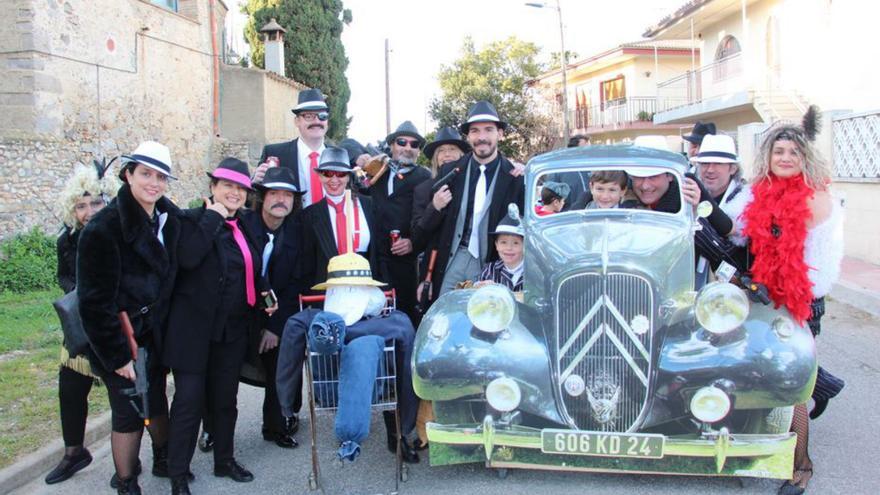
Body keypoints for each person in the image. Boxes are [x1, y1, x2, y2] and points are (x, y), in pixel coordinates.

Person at [740, 107, 843, 495]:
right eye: (778, 151)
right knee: (772, 368)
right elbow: (737, 231)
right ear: (767, 156)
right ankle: (822, 385)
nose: (785, 158)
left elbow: (819, 264)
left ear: (804, 158)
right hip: (768, 297)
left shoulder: (816, 199)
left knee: (792, 379)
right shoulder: (759, 193)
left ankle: (801, 466)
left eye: (793, 153)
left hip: (801, 299)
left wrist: (792, 296)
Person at [164, 158, 276, 494]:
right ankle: (178, 474)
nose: (235, 193)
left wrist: (267, 295)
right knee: (188, 403)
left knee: (226, 400)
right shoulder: (190, 219)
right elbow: (188, 258)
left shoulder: (245, 226)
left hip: (232, 330)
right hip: (194, 333)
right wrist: (213, 217)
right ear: (213, 188)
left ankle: (224, 461)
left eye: (241, 188)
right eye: (227, 185)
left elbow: (252, 268)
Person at [76, 141, 182, 495]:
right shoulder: (103, 228)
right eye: (146, 174)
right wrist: (118, 354)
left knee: (155, 401)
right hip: (120, 337)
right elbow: (93, 302)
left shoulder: (168, 217)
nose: (153, 183)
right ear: (128, 175)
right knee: (128, 411)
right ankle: (126, 482)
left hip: (154, 335)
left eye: (160, 177)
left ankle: (164, 457)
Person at [276, 252, 421, 463]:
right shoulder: (394, 324)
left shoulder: (308, 321)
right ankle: (398, 434)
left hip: (327, 394)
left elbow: (288, 363)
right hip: (377, 391)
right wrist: (407, 419)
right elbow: (407, 370)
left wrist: (286, 404)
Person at [45, 164, 119, 485]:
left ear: (109, 201)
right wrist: (76, 292)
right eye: (81, 205)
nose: (89, 212)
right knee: (70, 389)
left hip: (114, 329)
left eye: (96, 203)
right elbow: (64, 276)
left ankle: (128, 461)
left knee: (123, 398)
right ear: (72, 209)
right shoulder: (67, 240)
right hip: (79, 329)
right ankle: (74, 452)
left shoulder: (120, 235)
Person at [425, 101, 525, 296]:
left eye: (488, 130)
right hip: (453, 259)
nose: (482, 137)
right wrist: (426, 277)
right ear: (468, 136)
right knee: (447, 317)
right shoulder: (450, 172)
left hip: (491, 263)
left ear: (500, 134)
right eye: (475, 131)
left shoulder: (515, 177)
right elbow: (432, 230)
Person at [240, 166, 306, 449]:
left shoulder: (297, 235)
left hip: (275, 311)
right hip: (237, 310)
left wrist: (274, 326)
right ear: (262, 197)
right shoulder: (243, 224)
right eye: (274, 193)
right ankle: (212, 430)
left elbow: (294, 285)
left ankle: (276, 426)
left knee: (281, 362)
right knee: (220, 372)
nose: (281, 200)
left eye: (287, 195)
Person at [299, 147, 384, 291]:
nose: (334, 179)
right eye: (327, 173)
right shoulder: (309, 216)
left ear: (348, 177)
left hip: (367, 291)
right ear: (319, 176)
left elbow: (380, 253)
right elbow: (307, 265)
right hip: (327, 294)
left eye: (340, 174)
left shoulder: (369, 206)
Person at [254, 88, 330, 207]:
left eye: (322, 116)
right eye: (309, 116)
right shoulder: (275, 153)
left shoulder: (339, 157)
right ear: (297, 121)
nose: (316, 121)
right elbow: (257, 200)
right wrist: (255, 182)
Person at [476, 206, 525, 292]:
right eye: (503, 242)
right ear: (496, 245)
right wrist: (480, 287)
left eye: (516, 243)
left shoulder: (533, 273)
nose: (509, 248)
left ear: (525, 246)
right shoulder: (489, 271)